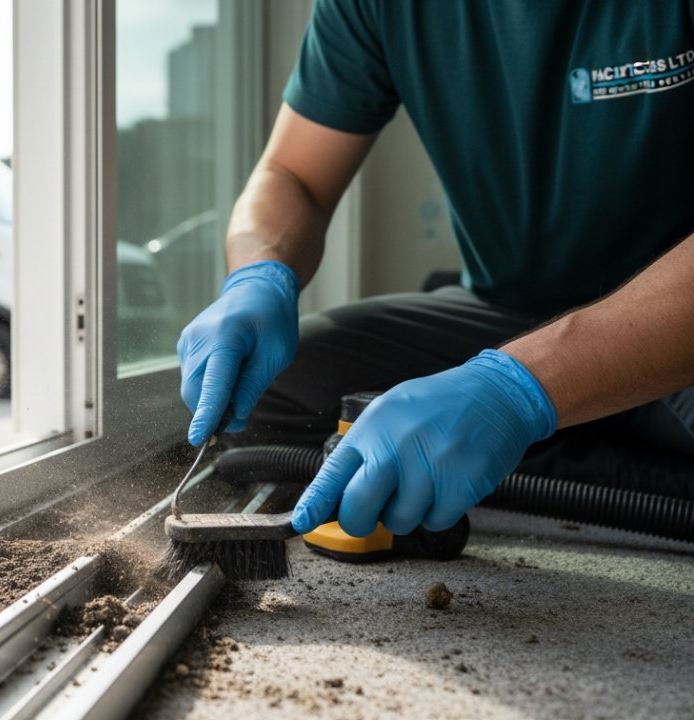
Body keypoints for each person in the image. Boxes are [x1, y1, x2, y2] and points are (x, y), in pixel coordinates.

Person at [177, 0, 694, 540]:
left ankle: (562, 446)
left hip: (673, 326)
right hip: (505, 315)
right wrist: (258, 276)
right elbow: (292, 172)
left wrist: (518, 390)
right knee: (266, 392)